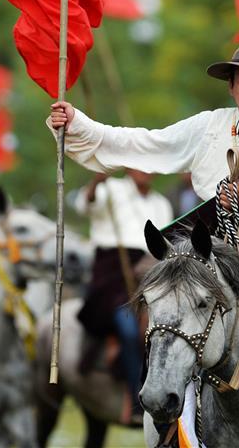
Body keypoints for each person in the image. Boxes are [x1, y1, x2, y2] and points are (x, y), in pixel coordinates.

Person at [49, 35, 239, 446]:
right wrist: (79, 124)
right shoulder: (207, 126)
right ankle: (162, 433)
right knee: (167, 333)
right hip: (208, 272)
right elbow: (145, 143)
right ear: (232, 85)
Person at [75, 168, 173, 421]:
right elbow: (84, 206)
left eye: (150, 164)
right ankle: (139, 404)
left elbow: (165, 244)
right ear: (129, 167)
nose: (144, 170)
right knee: (129, 330)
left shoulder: (161, 203)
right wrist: (97, 181)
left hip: (149, 273)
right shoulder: (112, 188)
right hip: (112, 274)